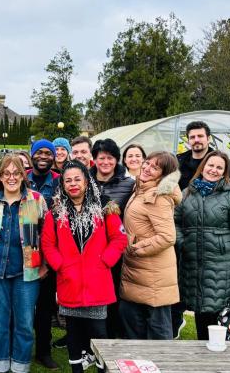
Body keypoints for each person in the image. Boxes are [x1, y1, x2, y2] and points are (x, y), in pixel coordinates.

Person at [42, 160, 128, 373]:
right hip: (69, 283)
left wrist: (105, 261)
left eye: (77, 179)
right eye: (68, 180)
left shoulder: (105, 207)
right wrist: (60, 265)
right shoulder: (55, 212)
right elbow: (47, 244)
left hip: (97, 284)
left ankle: (101, 369)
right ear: (62, 184)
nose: (73, 184)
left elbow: (119, 238)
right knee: (73, 333)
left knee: (99, 333)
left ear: (87, 182)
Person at [0, 154, 48, 373]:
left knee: (25, 324)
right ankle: (0, 365)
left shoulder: (35, 200)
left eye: (16, 173)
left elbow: (47, 235)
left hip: (27, 273)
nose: (11, 177)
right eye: (6, 173)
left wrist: (44, 265)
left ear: (23, 175)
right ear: (0, 176)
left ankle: (20, 366)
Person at [173, 121, 230, 339]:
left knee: (214, 305)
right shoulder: (180, 164)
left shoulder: (221, 166)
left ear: (208, 138)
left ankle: (217, 344)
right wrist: (182, 241)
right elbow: (177, 215)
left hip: (217, 255)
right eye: (192, 137)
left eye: (200, 136)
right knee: (190, 299)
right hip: (190, 250)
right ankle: (177, 328)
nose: (196, 140)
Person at [119, 151, 182, 340]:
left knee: (158, 331)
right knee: (133, 324)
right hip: (138, 271)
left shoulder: (158, 197)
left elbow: (167, 236)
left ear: (164, 175)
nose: (147, 168)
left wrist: (135, 248)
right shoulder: (140, 190)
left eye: (155, 167)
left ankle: (163, 367)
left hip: (154, 274)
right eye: (147, 163)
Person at [90, 138, 134, 340]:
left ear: (116, 160)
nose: (105, 162)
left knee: (113, 296)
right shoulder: (85, 182)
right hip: (89, 249)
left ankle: (112, 336)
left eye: (110, 158)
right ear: (94, 160)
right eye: (101, 158)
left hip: (115, 250)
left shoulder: (128, 184)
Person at [27, 139, 61, 370]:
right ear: (32, 155)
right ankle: (18, 347)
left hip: (51, 251)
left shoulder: (59, 181)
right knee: (22, 304)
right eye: (39, 152)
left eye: (48, 153)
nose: (44, 156)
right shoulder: (22, 177)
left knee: (46, 307)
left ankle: (43, 351)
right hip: (24, 250)